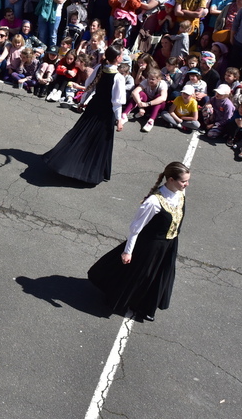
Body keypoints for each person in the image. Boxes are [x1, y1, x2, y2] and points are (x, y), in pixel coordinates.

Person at [88, 161, 189, 322]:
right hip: (150, 246)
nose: (186, 184)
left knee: (159, 276)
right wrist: (128, 251)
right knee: (141, 275)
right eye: (183, 181)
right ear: (170, 179)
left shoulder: (180, 194)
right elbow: (135, 228)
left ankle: (146, 307)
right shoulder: (154, 202)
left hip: (169, 245)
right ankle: (122, 299)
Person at [43, 46, 126, 184]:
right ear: (117, 58)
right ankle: (89, 171)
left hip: (93, 107)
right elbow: (117, 102)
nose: (123, 56)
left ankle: (70, 163)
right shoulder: (118, 77)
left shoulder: (100, 67)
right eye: (122, 54)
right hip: (105, 114)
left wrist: (82, 102)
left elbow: (89, 87)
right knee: (99, 141)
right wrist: (119, 120)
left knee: (82, 135)